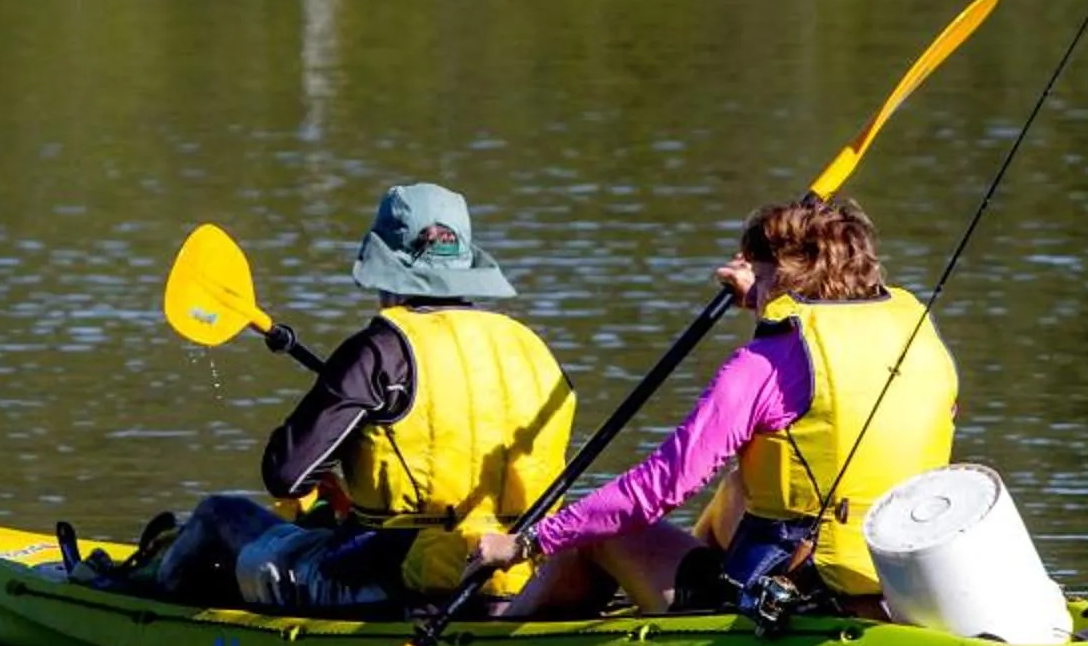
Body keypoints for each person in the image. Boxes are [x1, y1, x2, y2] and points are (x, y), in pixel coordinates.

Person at [473, 196, 954, 620]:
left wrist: (527, 541)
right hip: (899, 578)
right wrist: (764, 299)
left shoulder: (762, 365)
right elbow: (827, 394)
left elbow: (660, 487)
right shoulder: (917, 333)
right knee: (746, 481)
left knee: (596, 530)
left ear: (786, 276)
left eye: (763, 277)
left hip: (781, 594)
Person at [259, 183, 576, 599]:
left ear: (383, 267)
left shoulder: (379, 349)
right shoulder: (531, 345)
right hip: (526, 568)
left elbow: (286, 475)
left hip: (405, 576)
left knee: (221, 520)